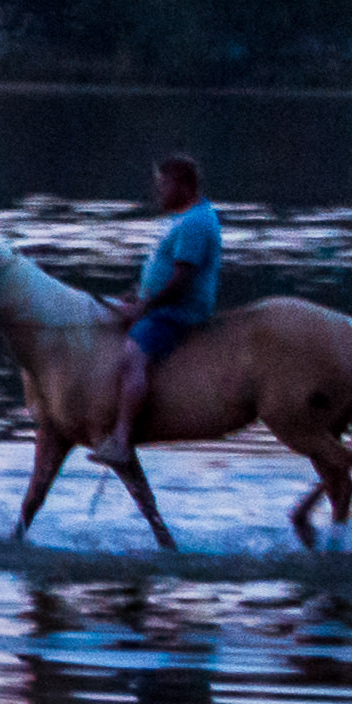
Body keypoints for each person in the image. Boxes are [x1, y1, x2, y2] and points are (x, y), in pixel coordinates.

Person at [90, 153, 222, 471]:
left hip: (179, 311)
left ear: (184, 186)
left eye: (164, 185)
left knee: (132, 354)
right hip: (162, 304)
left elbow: (182, 279)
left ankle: (121, 441)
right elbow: (161, 271)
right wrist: (136, 295)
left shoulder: (194, 223)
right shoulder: (184, 218)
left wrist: (144, 307)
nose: (158, 192)